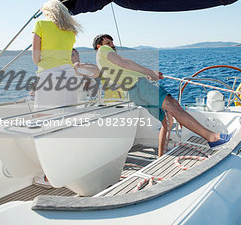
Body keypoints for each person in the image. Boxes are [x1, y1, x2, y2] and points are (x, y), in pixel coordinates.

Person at [93, 34, 233, 156]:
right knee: (172, 104)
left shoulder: (101, 62)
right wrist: (150, 72)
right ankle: (213, 137)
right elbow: (125, 62)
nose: (112, 46)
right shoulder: (103, 51)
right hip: (140, 87)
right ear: (99, 46)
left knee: (167, 121)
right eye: (107, 43)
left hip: (133, 93)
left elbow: (123, 72)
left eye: (112, 43)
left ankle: (161, 158)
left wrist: (148, 75)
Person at [31, 0, 82, 187]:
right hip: (69, 77)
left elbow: (36, 58)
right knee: (66, 124)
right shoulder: (71, 30)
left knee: (45, 127)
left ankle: (49, 176)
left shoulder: (40, 24)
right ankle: (70, 170)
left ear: (48, 12)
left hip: (49, 77)